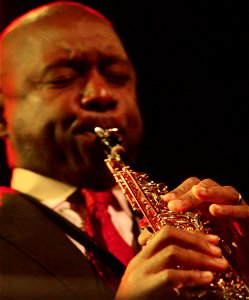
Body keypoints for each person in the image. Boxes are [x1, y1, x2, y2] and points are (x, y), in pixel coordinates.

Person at [0, 1, 248, 299]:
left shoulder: (188, 217)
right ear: (2, 115)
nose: (102, 94)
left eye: (117, 75)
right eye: (63, 78)